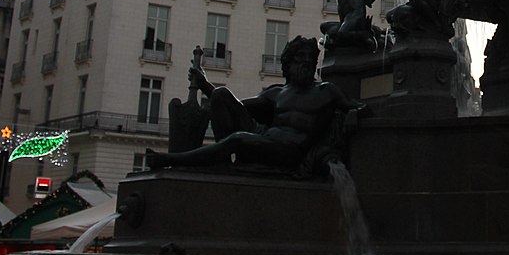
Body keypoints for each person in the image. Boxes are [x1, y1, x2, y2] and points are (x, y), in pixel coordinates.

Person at [147, 35, 362, 171]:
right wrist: (204, 84)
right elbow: (237, 106)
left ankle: (171, 160)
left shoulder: (326, 91)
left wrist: (356, 114)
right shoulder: (277, 93)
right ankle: (223, 164)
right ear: (288, 63)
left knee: (238, 139)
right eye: (300, 57)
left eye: (310, 58)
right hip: (263, 136)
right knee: (221, 94)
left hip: (289, 149)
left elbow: (357, 106)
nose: (306, 61)